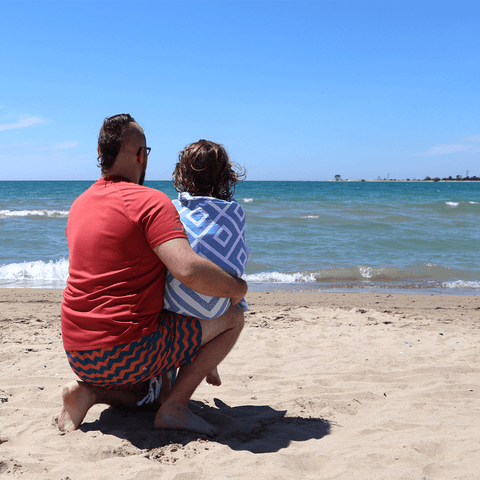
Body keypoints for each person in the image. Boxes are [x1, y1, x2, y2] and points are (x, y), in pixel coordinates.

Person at [58, 114, 247, 437]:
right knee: (233, 317)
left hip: (78, 351)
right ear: (141, 155)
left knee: (148, 394)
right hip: (126, 352)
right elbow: (188, 270)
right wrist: (237, 287)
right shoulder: (149, 202)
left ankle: (90, 393)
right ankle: (175, 408)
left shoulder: (80, 204)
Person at [163, 139, 249, 320]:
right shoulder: (235, 212)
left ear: (182, 173)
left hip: (172, 305)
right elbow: (239, 259)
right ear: (226, 175)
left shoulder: (173, 210)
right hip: (222, 304)